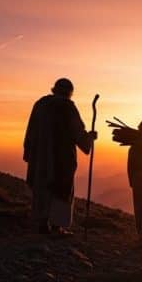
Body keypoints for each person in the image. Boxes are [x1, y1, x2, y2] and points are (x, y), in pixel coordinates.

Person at [23, 78, 97, 237]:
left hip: (40, 155)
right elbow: (77, 132)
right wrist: (89, 138)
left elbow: (30, 129)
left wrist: (29, 151)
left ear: (54, 89)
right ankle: (57, 227)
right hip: (61, 157)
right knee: (61, 188)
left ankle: (42, 223)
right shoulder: (67, 107)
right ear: (70, 92)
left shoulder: (40, 104)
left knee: (42, 187)